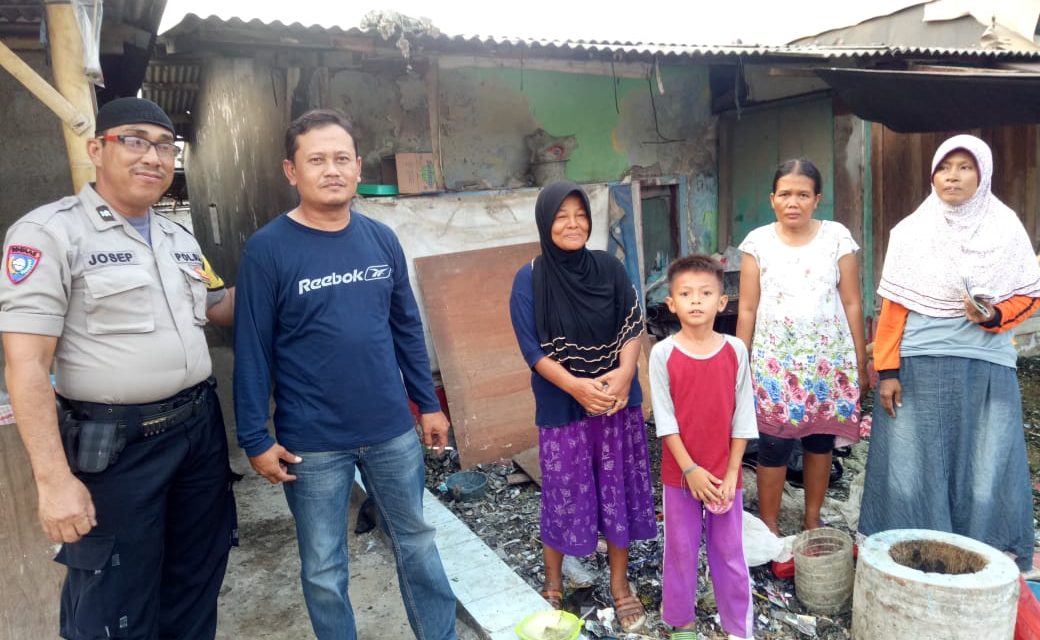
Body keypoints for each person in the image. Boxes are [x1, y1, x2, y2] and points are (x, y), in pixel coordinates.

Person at [0, 97, 237, 640]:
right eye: (134, 140)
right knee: (115, 601)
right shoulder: (48, 234)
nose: (153, 157)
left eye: (164, 145)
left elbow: (219, 304)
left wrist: (287, 275)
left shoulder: (180, 239)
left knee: (195, 578)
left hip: (198, 430)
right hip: (117, 447)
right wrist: (54, 481)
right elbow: (27, 366)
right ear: (96, 149)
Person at [233, 109, 457, 640]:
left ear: (357, 167)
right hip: (311, 443)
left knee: (418, 544)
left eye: (340, 159)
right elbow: (252, 349)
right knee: (324, 568)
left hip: (390, 431)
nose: (330, 169)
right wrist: (254, 437)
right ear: (292, 171)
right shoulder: (268, 250)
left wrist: (427, 403)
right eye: (316, 160)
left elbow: (406, 326)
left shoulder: (380, 240)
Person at [860, 134, 1040, 571]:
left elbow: (1028, 294)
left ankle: (985, 554)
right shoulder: (910, 232)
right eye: (944, 167)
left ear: (983, 173)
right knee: (913, 460)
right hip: (920, 364)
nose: (952, 176)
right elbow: (892, 308)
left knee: (986, 459)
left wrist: (994, 314)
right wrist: (887, 371)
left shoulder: (1005, 227)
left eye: (964, 167)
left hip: (987, 367)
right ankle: (910, 550)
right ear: (933, 174)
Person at [508, 180, 656, 633]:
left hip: (615, 402)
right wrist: (577, 387)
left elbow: (633, 325)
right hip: (562, 405)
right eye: (561, 216)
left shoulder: (609, 268)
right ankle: (553, 583)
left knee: (617, 491)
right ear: (544, 222)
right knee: (561, 492)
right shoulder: (529, 278)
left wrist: (627, 373)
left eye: (580, 215)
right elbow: (531, 350)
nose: (573, 224)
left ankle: (619, 585)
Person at [736, 158, 868, 535]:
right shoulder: (757, 243)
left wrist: (859, 359)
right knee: (774, 444)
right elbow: (747, 308)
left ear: (817, 199)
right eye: (785, 194)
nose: (793, 202)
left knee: (820, 441)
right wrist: (740, 361)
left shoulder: (837, 237)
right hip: (775, 363)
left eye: (803, 194)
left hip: (828, 363)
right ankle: (770, 524)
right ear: (772, 199)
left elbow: (853, 302)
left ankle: (813, 520)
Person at [650, 254, 757, 640]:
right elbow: (666, 422)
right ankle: (682, 622)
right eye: (686, 293)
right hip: (680, 477)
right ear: (671, 303)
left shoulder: (735, 351)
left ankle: (738, 628)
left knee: (729, 553)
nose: (696, 301)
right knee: (680, 550)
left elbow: (743, 416)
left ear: (721, 302)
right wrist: (691, 471)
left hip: (727, 475)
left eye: (705, 292)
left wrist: (732, 472)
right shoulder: (663, 353)